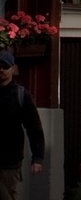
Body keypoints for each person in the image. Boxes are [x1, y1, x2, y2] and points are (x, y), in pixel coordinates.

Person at [0, 50, 44, 200]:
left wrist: (37, 157)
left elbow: (34, 128)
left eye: (5, 66)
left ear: (13, 68)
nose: (1, 70)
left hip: (9, 161)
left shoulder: (21, 95)